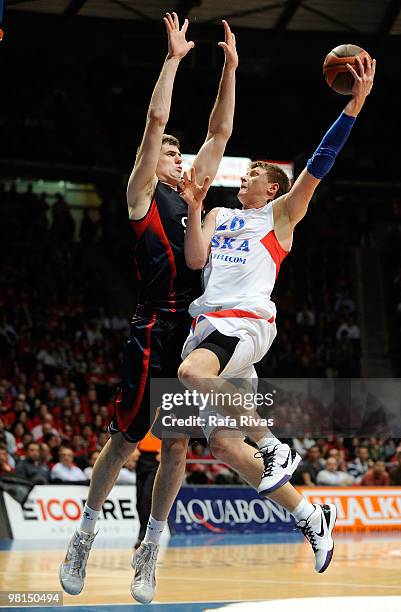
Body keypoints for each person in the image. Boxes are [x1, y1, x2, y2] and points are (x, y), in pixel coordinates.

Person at [59, 11, 244, 602]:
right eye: (169, 153)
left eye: (176, 153)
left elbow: (219, 136)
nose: (176, 155)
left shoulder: (192, 196)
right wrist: (173, 61)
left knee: (180, 447)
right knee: (122, 439)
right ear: (154, 161)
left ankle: (149, 552)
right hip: (153, 326)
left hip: (193, 335)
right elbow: (156, 119)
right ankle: (85, 535)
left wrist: (230, 69)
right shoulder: (142, 195)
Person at [175, 53, 376, 582]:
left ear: (272, 186)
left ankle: (273, 445)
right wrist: (194, 208)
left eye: (255, 178)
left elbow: (321, 160)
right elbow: (195, 260)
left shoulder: (281, 215)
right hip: (209, 325)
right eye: (244, 178)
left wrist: (353, 107)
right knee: (221, 445)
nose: (245, 182)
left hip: (245, 325)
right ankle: (313, 516)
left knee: (192, 375)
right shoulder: (218, 215)